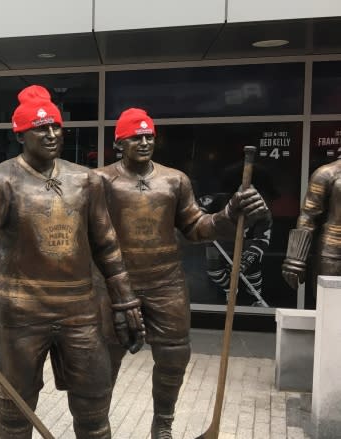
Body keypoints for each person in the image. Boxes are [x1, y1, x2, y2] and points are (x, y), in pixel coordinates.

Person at [0, 85, 145, 439]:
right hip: (19, 312)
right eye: (41, 128)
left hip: (80, 311)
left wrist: (124, 298)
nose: (51, 134)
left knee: (94, 408)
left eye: (56, 126)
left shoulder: (86, 181)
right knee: (14, 412)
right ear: (20, 134)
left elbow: (107, 245)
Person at [94, 108, 269, 439]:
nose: (145, 141)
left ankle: (163, 424)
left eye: (149, 136)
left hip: (166, 283)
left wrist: (229, 213)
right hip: (115, 284)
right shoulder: (100, 181)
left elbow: (196, 227)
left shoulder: (174, 180)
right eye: (136, 136)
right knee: (105, 357)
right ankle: (97, 425)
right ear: (120, 142)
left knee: (174, 356)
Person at [198, 192, 273, 307]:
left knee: (252, 268)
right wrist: (203, 220)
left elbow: (262, 239)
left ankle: (255, 298)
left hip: (245, 243)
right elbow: (194, 212)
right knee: (214, 272)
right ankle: (231, 291)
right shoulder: (213, 201)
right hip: (218, 240)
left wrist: (248, 258)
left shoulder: (261, 210)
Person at [282, 158, 341, 292]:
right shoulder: (327, 173)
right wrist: (295, 257)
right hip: (334, 252)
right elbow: (308, 215)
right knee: (330, 305)